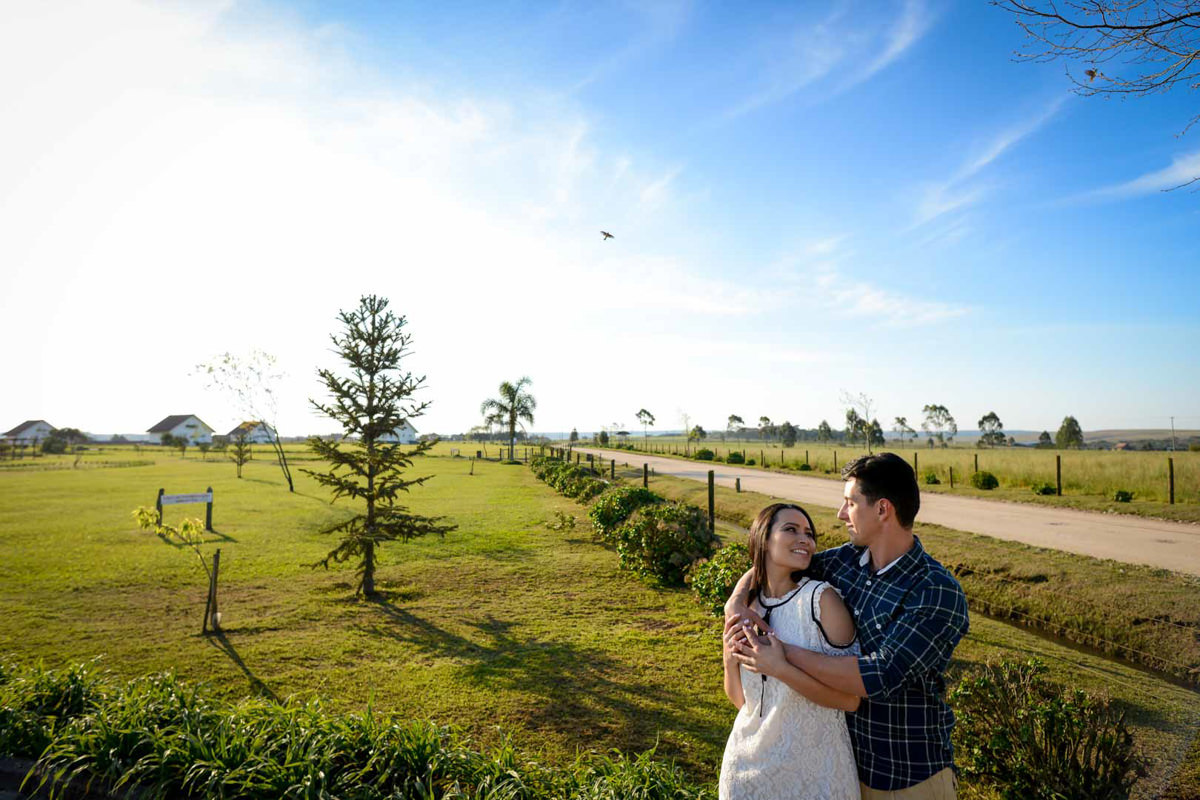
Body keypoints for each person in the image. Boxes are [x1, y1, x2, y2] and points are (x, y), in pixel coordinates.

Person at [725, 453, 969, 800]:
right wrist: (735, 601)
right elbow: (775, 564)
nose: (841, 514)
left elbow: (878, 675)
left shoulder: (934, 590)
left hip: (906, 777)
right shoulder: (845, 562)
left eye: (850, 503)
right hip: (841, 770)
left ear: (883, 510)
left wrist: (782, 657)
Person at [719, 502, 862, 800]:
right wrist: (728, 655)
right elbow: (742, 701)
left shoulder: (822, 601)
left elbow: (850, 700)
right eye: (791, 529)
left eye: (809, 534)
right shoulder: (748, 609)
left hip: (816, 774)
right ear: (763, 538)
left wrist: (780, 668)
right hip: (745, 772)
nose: (805, 540)